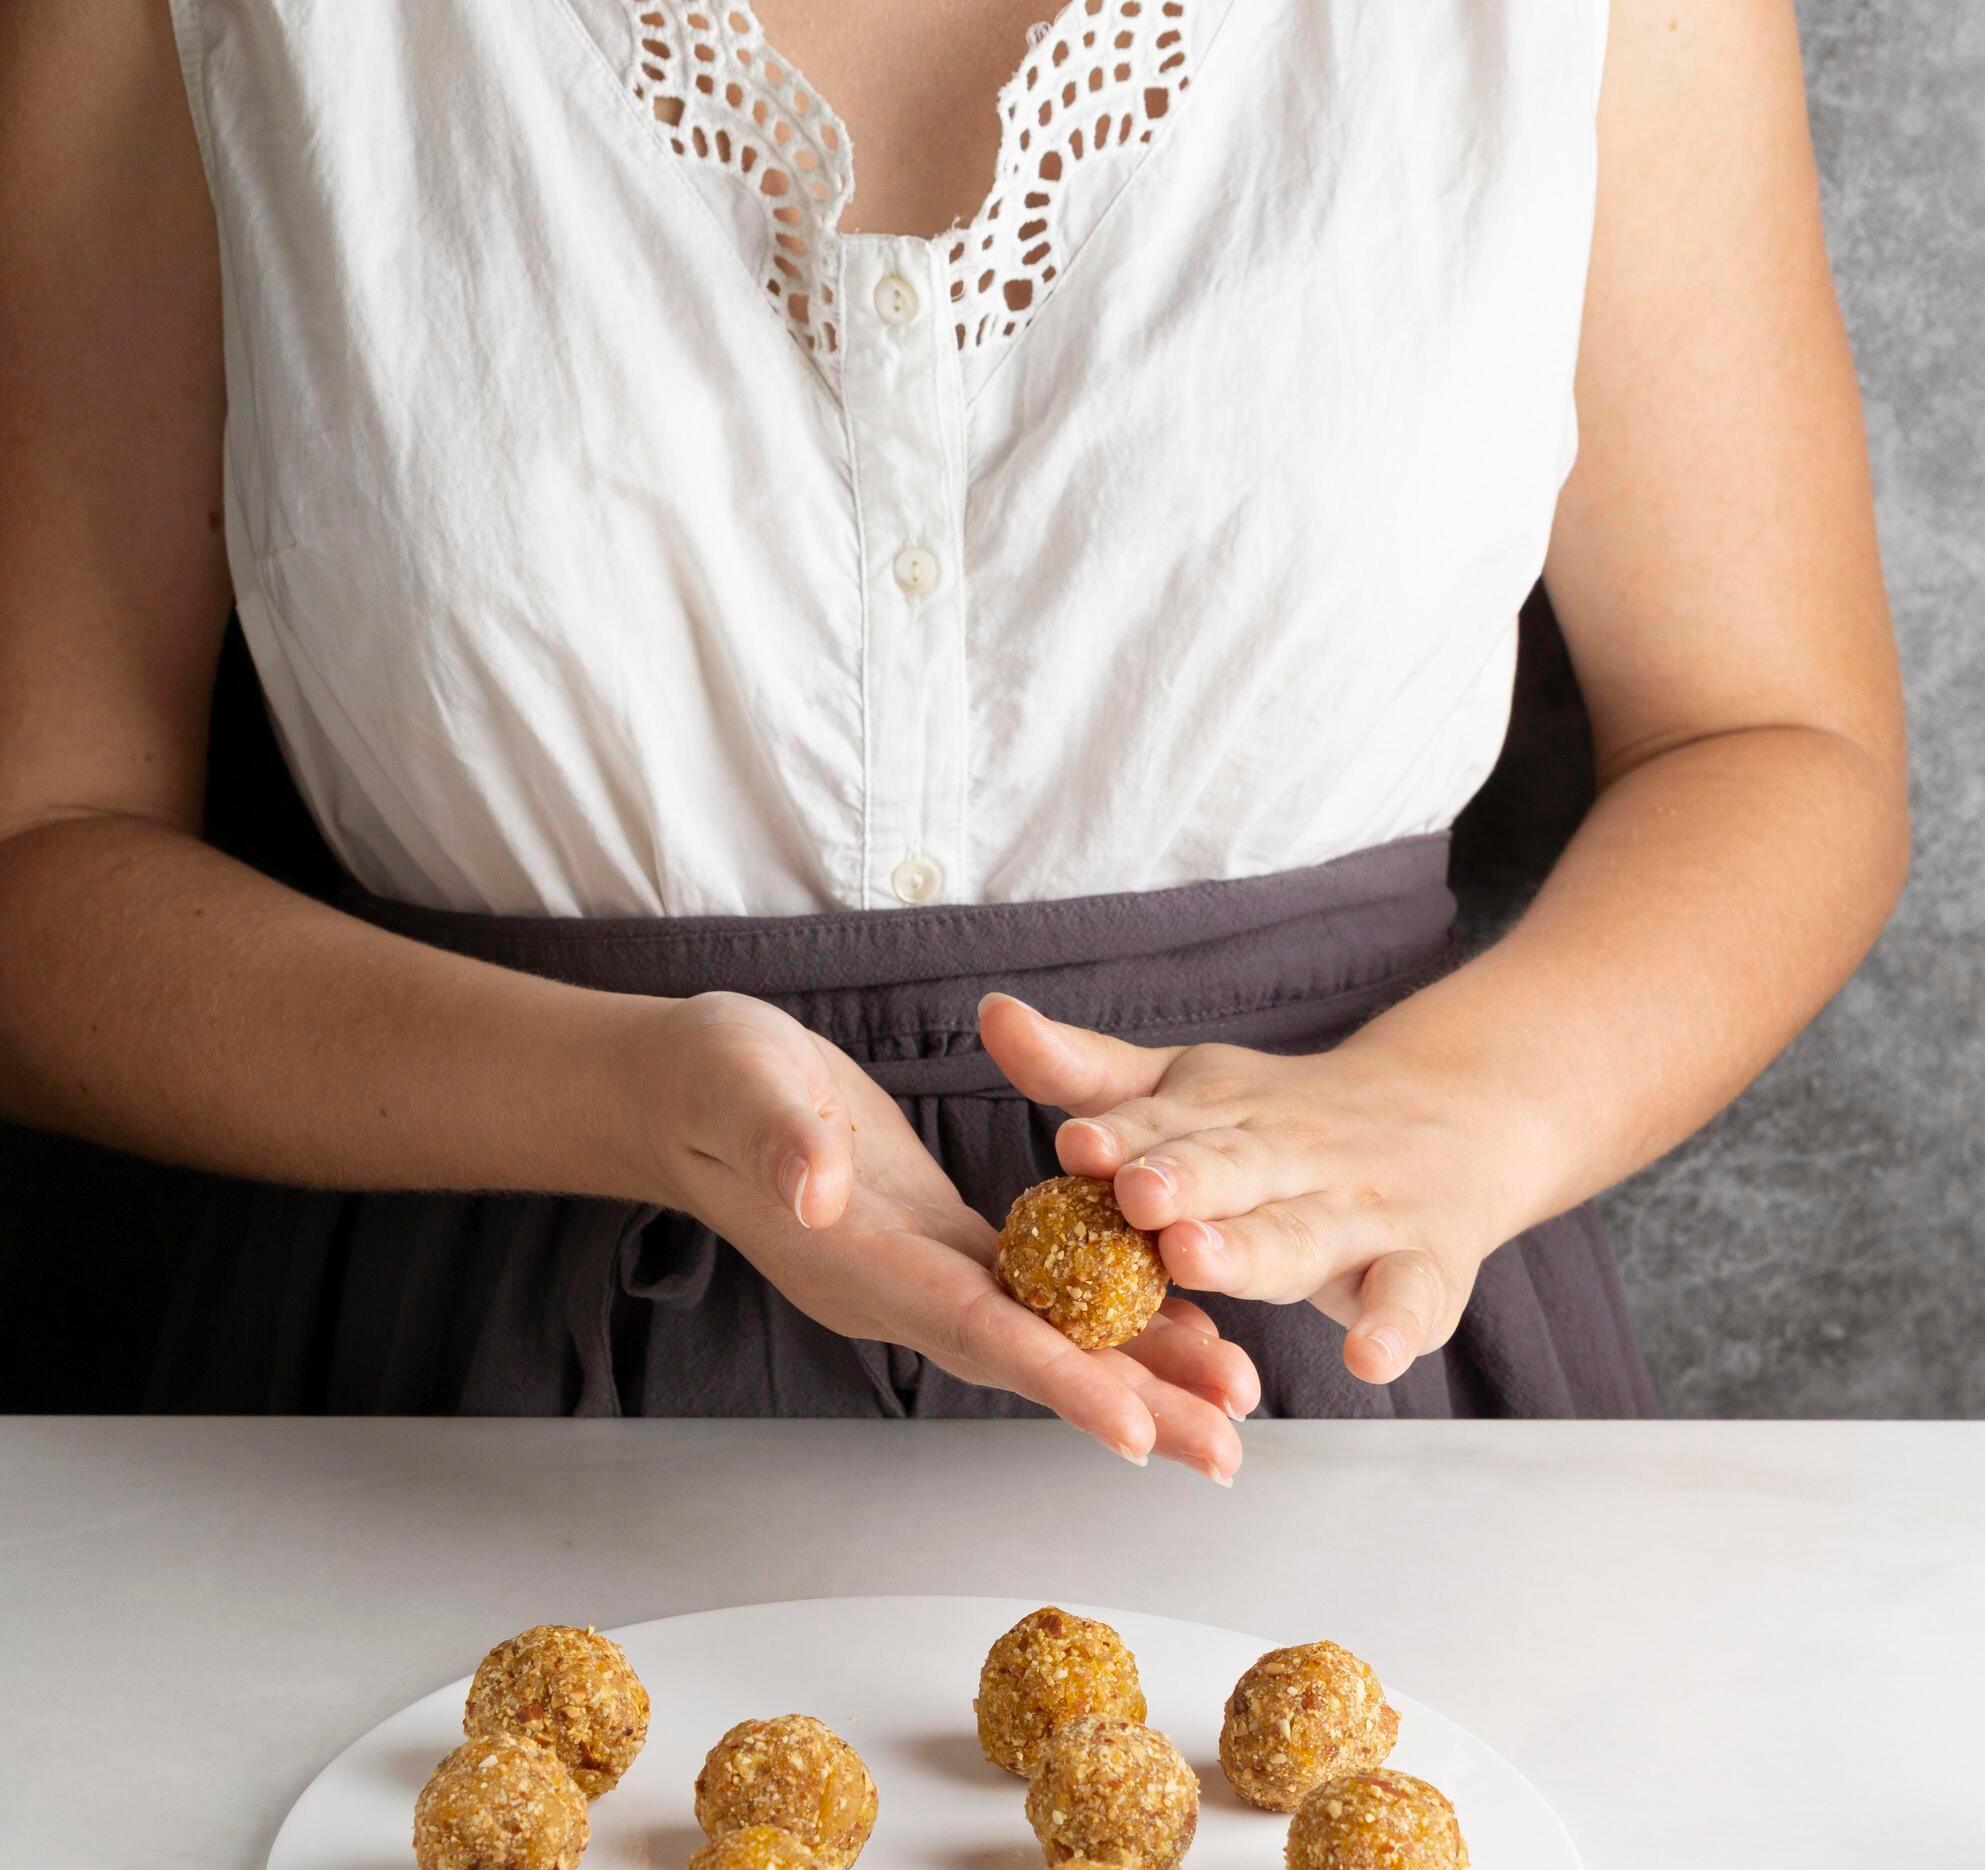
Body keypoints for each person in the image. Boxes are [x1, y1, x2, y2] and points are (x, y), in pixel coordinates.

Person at [0, 0, 1907, 1471]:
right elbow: (38, 867)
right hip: (451, 1392)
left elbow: (1769, 738)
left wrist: (1473, 1106)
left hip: (1337, 1373)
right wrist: (625, 1096)